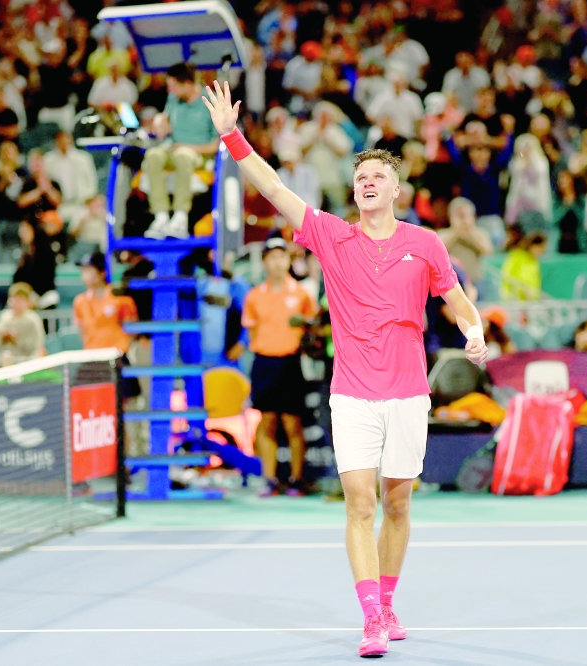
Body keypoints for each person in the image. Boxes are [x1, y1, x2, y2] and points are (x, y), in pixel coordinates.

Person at [203, 82, 487, 658]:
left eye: (377, 176)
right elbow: (275, 187)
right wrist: (232, 136)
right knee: (360, 501)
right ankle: (372, 617)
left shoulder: (425, 243)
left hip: (408, 391)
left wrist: (474, 331)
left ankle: (388, 597)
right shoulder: (332, 236)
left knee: (398, 502)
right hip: (353, 392)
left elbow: (457, 301)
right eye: (361, 178)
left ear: (396, 190)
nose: (367, 182)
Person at [237, 236, 317, 496]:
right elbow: (249, 332)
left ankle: (296, 478)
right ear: (265, 262)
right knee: (267, 421)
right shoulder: (254, 296)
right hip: (264, 363)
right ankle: (270, 479)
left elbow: (313, 327)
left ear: (288, 260)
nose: (277, 262)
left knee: (293, 424)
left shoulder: (302, 294)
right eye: (272, 257)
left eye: (282, 256)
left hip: (290, 362)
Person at [142, 63, 220, 239]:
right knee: (153, 155)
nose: (169, 91)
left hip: (199, 154)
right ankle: (161, 216)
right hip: (174, 149)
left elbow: (215, 146)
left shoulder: (211, 102)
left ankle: (180, 217)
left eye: (173, 87)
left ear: (187, 85)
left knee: (183, 155)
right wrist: (160, 121)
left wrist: (187, 147)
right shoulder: (173, 99)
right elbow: (166, 122)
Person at [73, 250, 140, 397]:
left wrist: (120, 349)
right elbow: (82, 330)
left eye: (89, 270)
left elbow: (132, 330)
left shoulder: (120, 298)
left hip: (116, 359)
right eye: (83, 270)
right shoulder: (79, 302)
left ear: (102, 273)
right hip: (91, 360)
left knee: (124, 400)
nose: (84, 274)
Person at [437, 198, 493, 291]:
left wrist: (470, 231)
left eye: (466, 215)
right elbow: (438, 250)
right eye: (459, 216)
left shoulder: (480, 233)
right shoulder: (443, 234)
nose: (463, 219)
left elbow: (488, 251)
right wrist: (456, 232)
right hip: (451, 284)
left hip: (475, 282)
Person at [43, 131, 98, 223]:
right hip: (57, 206)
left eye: (66, 140)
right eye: (61, 140)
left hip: (80, 205)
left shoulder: (84, 159)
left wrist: (87, 200)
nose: (64, 143)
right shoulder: (48, 160)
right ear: (56, 142)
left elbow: (92, 184)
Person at [0, 282, 45, 366]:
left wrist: (16, 340)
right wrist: (2, 337)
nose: (16, 303)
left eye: (20, 300)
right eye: (14, 299)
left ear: (27, 301)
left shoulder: (32, 319)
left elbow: (35, 345)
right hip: (3, 362)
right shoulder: (4, 317)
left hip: (26, 362)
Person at [500, 231, 547, 301]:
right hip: (514, 301)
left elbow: (535, 283)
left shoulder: (534, 262)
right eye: (540, 248)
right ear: (533, 245)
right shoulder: (516, 256)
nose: (542, 252)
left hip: (529, 302)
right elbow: (507, 276)